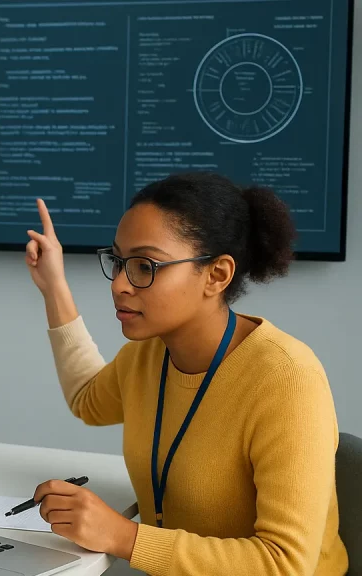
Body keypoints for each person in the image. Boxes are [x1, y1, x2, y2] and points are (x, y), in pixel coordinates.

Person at [23, 173, 348, 575]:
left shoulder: (286, 379)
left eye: (145, 265)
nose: (121, 283)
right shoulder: (147, 355)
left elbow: (285, 565)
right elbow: (88, 399)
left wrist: (124, 537)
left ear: (216, 275)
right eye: (119, 261)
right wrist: (53, 286)